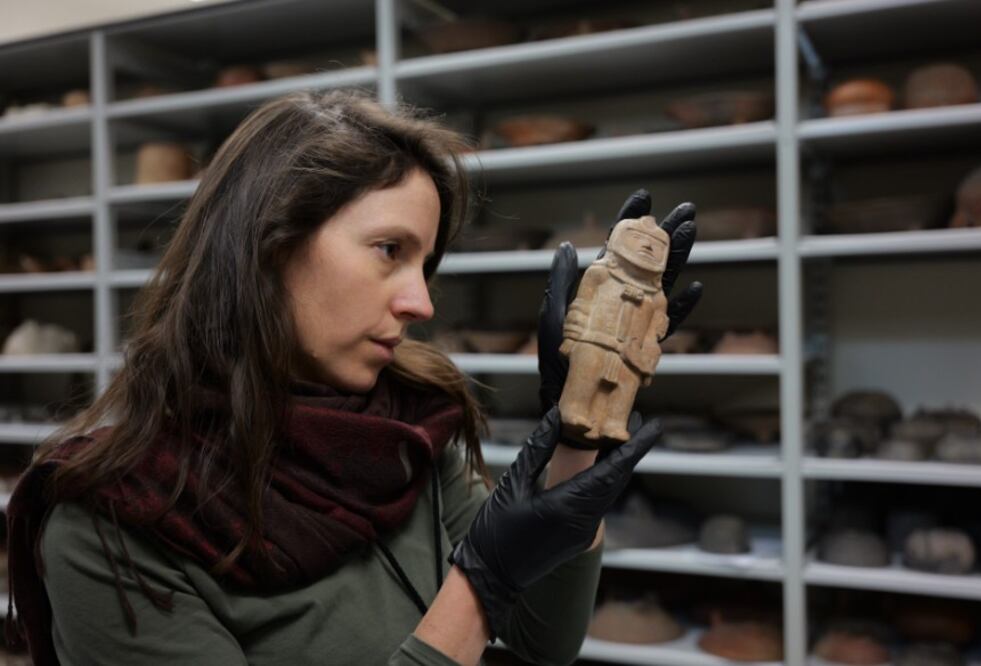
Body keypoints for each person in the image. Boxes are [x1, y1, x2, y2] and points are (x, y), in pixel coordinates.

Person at [5, 90, 701, 666]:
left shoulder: (405, 427)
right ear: (267, 249)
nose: (421, 302)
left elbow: (542, 641)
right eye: (389, 250)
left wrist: (580, 429)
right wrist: (475, 585)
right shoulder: (115, 523)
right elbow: (490, 603)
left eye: (423, 264)